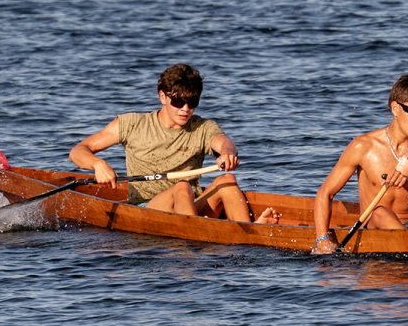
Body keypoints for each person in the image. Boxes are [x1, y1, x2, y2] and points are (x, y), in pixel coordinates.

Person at [69, 63, 279, 224]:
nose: (185, 109)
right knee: (182, 187)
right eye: (178, 102)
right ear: (162, 97)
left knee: (227, 180)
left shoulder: (203, 127)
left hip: (191, 205)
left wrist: (227, 153)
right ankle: (200, 236)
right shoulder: (131, 124)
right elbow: (78, 151)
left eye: (192, 102)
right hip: (148, 208)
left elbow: (224, 142)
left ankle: (250, 232)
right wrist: (98, 164)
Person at [312, 70, 408, 254]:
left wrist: (406, 181)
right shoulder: (363, 146)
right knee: (380, 212)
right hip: (375, 227)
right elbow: (325, 193)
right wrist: (322, 240)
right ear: (395, 108)